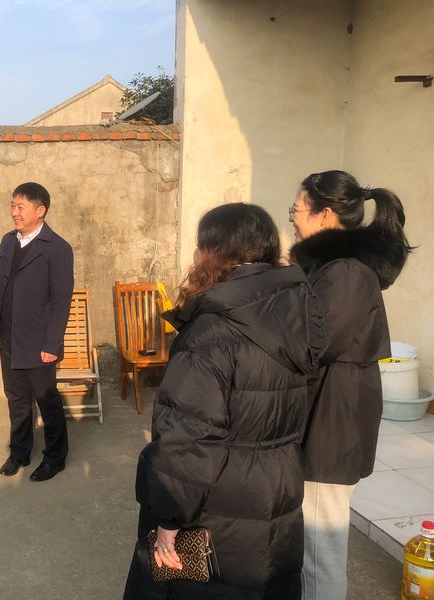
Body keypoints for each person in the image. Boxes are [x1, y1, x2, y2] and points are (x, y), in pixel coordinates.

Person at [124, 203, 330, 600]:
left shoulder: (213, 330)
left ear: (214, 252)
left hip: (221, 504)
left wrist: (168, 518)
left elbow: (188, 436)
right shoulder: (296, 314)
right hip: (278, 492)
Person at [289, 170, 412, 600]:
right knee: (309, 542)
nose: (293, 219)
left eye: (296, 209)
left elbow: (311, 343)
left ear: (324, 215)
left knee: (319, 548)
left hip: (332, 423)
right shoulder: (337, 268)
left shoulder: (345, 273)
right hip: (331, 412)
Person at [0, 182, 74, 482]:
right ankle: (19, 452)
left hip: (38, 341)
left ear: (40, 210)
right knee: (16, 398)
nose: (14, 212)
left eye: (21, 206)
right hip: (9, 337)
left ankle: (55, 457)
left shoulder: (57, 248)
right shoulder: (8, 241)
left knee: (46, 400)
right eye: (12, 205)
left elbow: (61, 300)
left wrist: (52, 343)